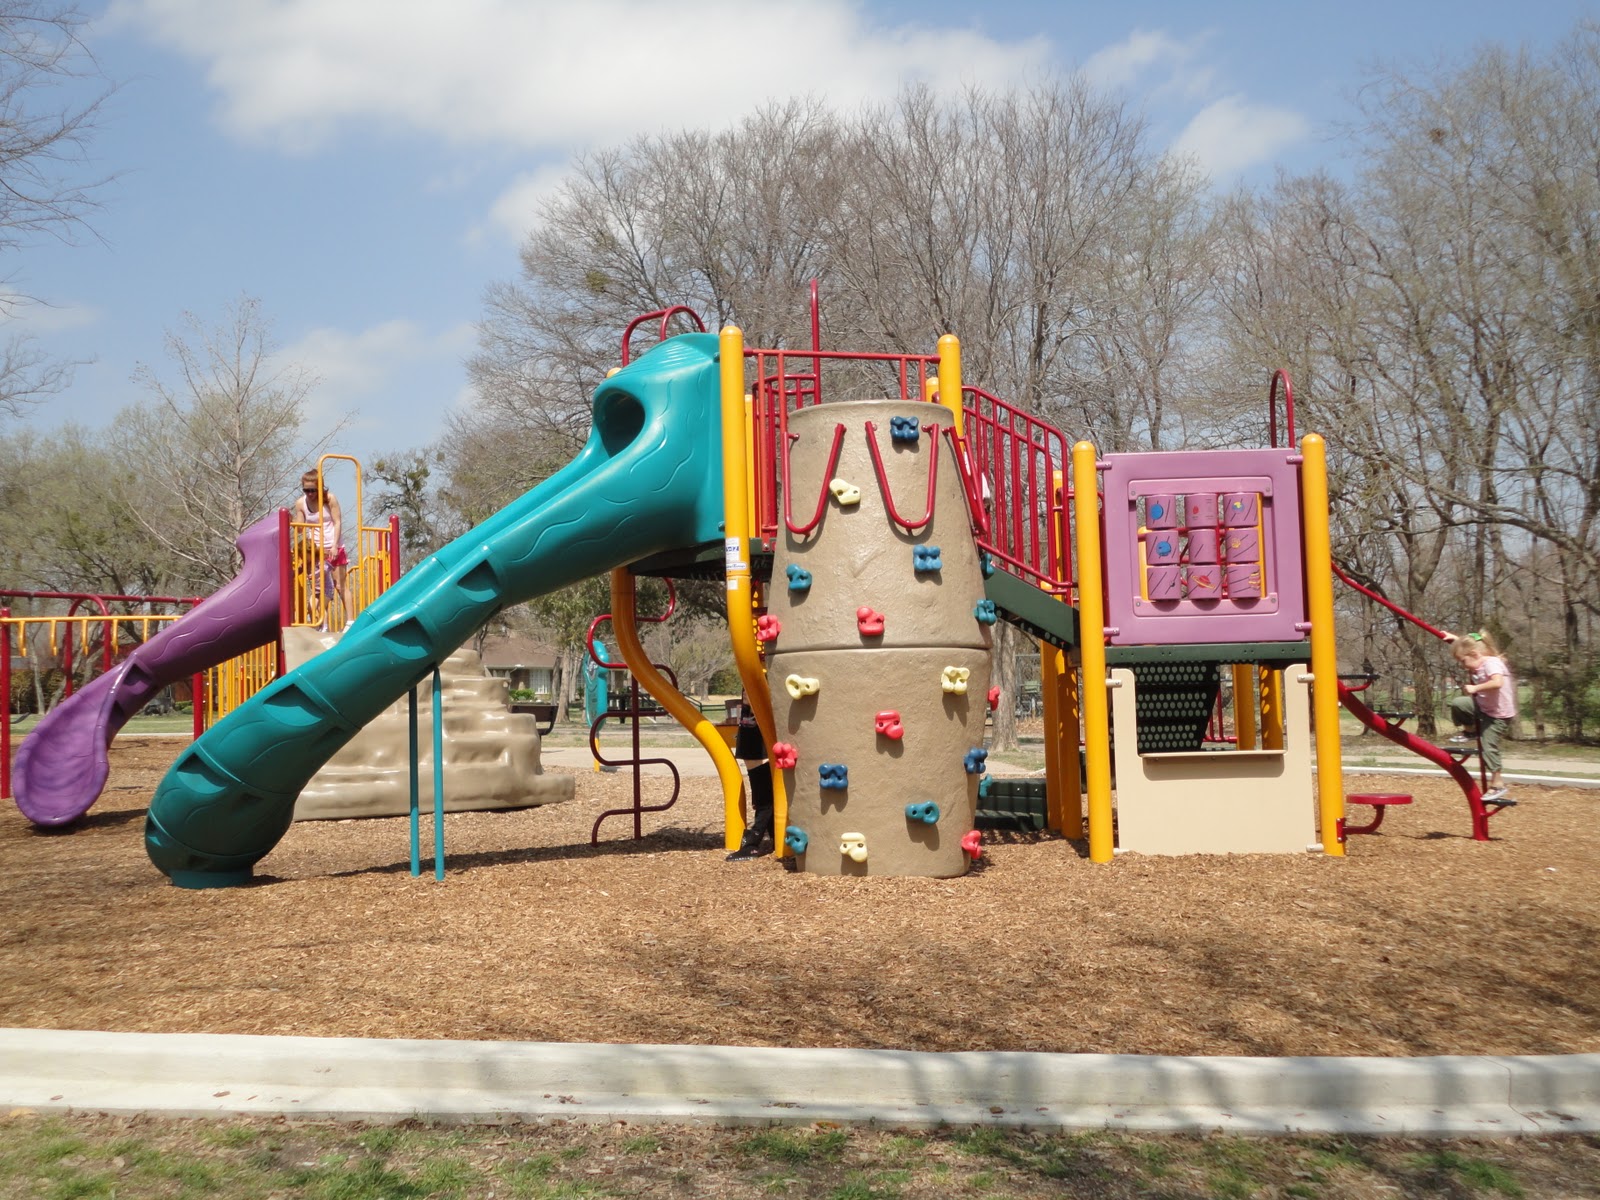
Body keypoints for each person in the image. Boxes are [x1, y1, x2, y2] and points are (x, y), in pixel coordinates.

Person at [1444, 630, 1516, 804]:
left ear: (1475, 654)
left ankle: (1497, 784)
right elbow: (1466, 647)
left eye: (1463, 661)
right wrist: (1455, 640)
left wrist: (1476, 689)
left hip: (1498, 716)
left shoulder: (1492, 663)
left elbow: (1498, 683)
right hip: (1483, 708)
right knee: (1459, 704)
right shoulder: (1477, 659)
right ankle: (1470, 731)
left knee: (1487, 746)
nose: (1463, 665)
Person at [293, 469, 352, 628]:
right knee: (318, 589)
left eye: (313, 490)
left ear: (320, 488)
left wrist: (334, 545)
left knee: (340, 585)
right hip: (316, 551)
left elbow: (337, 522)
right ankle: (322, 624)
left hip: (333, 547)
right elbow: (300, 527)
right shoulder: (301, 503)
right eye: (306, 490)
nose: (309, 493)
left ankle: (351, 621)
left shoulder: (329, 499)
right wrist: (292, 524)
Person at [725, 697, 774, 861]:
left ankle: (753, 842)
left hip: (758, 744)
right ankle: (773, 836)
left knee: (764, 798)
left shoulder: (760, 677)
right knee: (762, 794)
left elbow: (756, 701)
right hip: (751, 741)